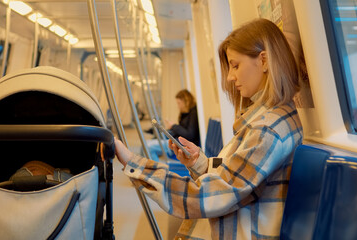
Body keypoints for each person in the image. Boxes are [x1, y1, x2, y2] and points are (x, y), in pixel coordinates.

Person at [109, 18, 303, 239]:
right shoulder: (271, 119)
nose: (230, 77)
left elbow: (207, 197)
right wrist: (199, 162)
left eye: (236, 65)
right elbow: (235, 176)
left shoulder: (268, 130)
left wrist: (133, 162)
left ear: (265, 61)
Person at [144, 89, 200, 161]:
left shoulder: (193, 114)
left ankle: (157, 169)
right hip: (178, 140)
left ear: (186, 101)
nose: (178, 106)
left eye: (179, 103)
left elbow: (189, 134)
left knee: (149, 147)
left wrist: (173, 126)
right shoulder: (186, 113)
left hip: (182, 144)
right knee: (147, 143)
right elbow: (183, 129)